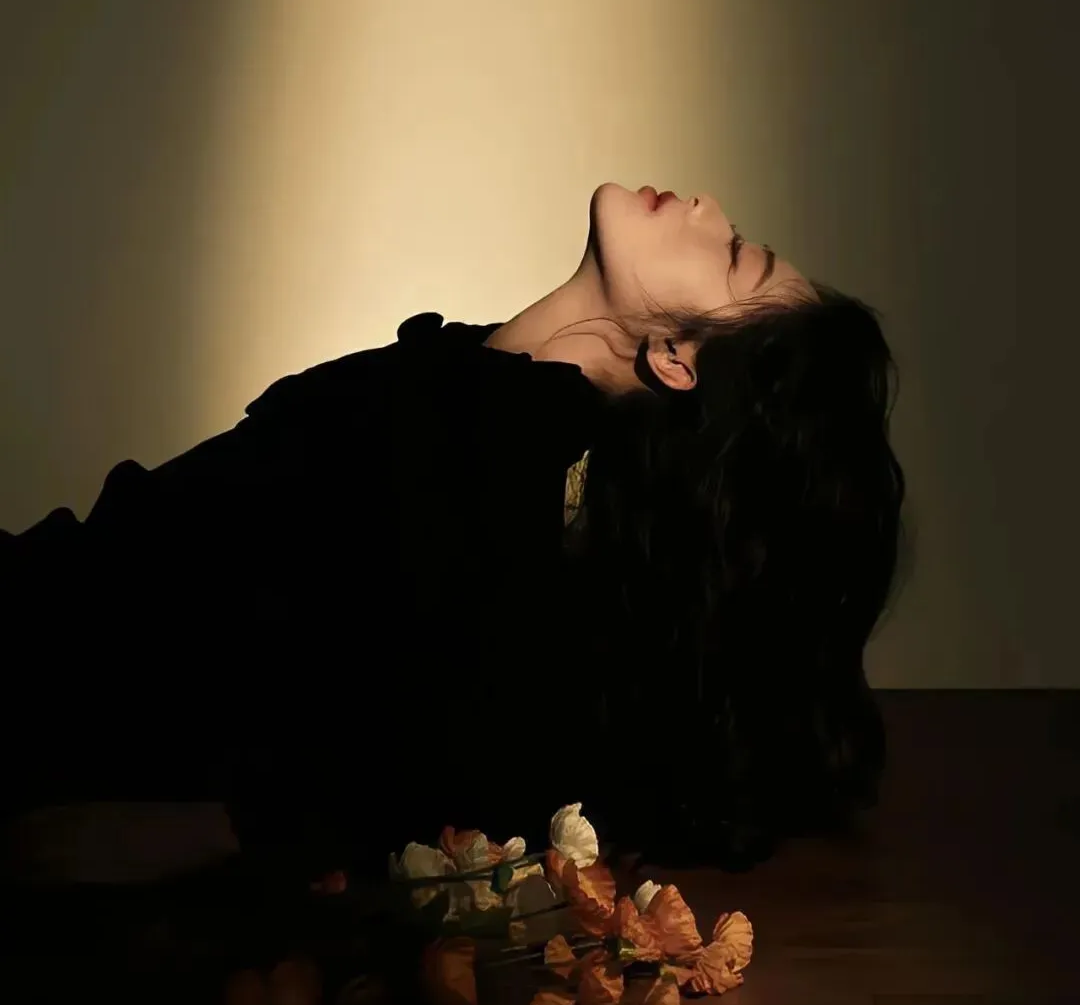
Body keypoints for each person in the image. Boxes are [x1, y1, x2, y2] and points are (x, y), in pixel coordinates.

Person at [0, 183, 905, 877]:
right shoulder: (463, 402)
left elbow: (174, 656)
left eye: (736, 255)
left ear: (676, 359)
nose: (709, 208)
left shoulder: (472, 482)